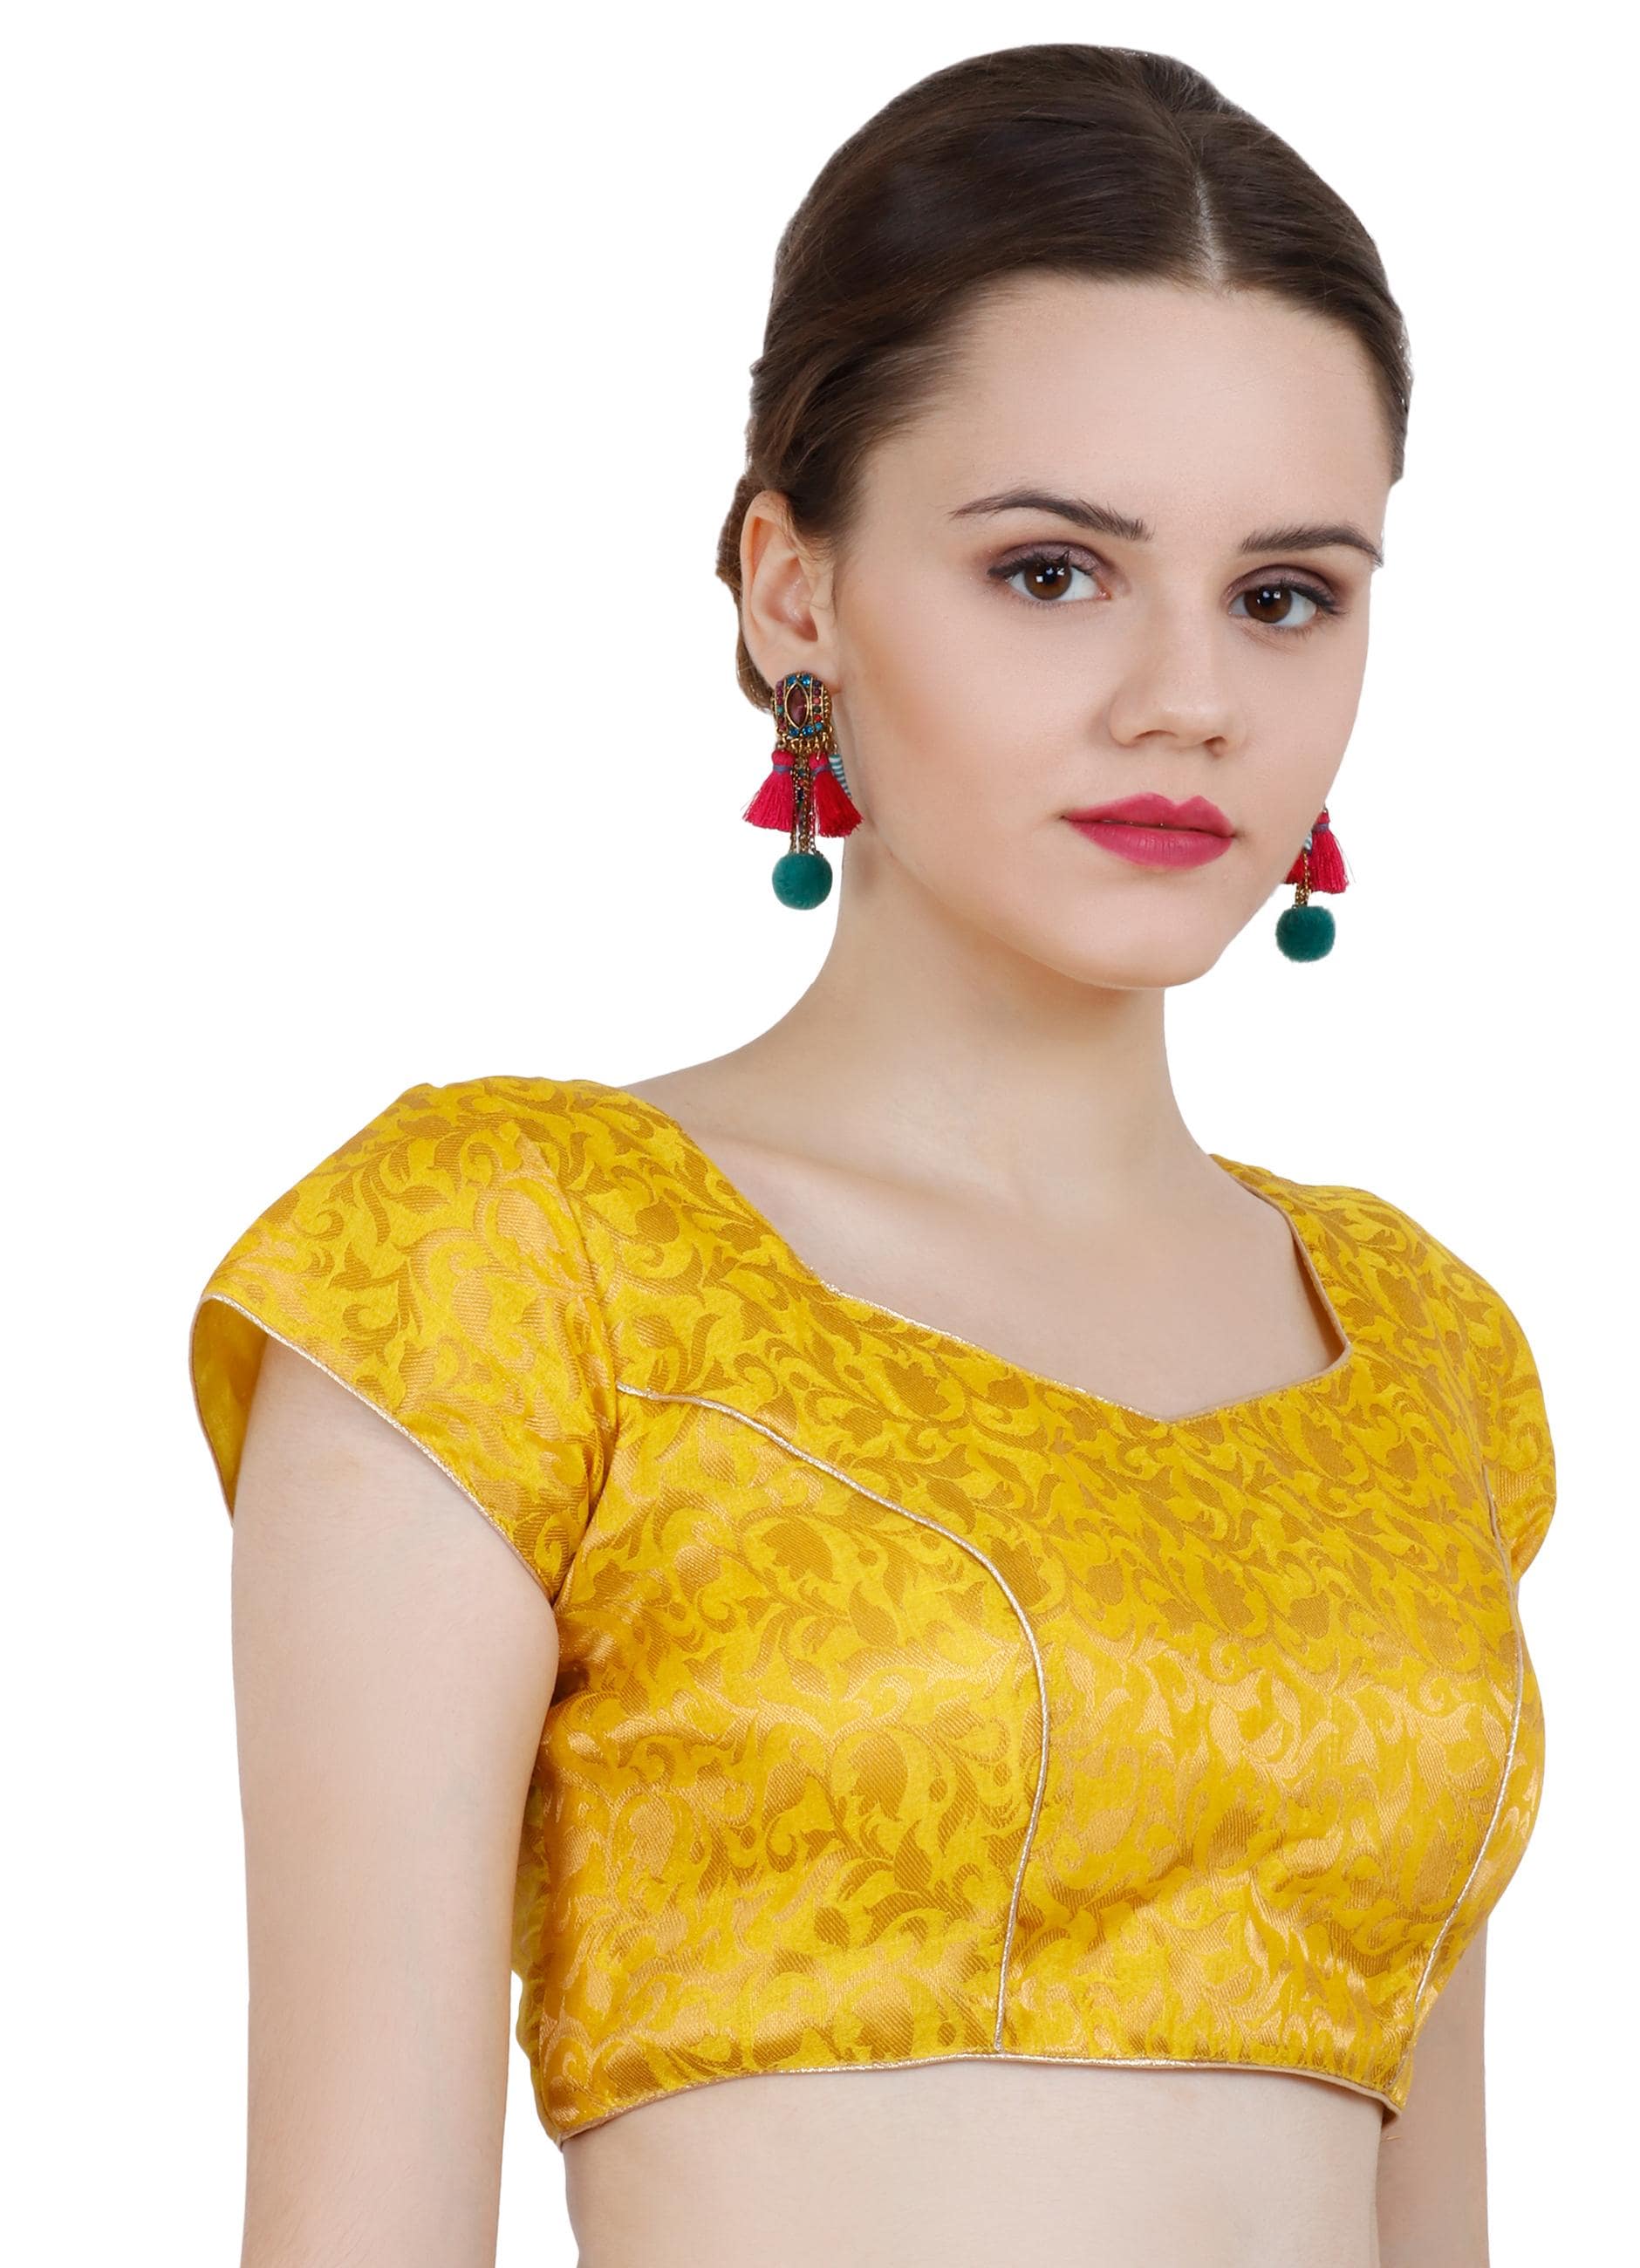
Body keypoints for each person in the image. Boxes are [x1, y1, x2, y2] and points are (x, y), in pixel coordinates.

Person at [188, 43, 1557, 2268]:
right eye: (1052, 571)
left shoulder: (1423, 1356)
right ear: (791, 591)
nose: (1189, 698)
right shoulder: (508, 1264)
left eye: (1284, 594)